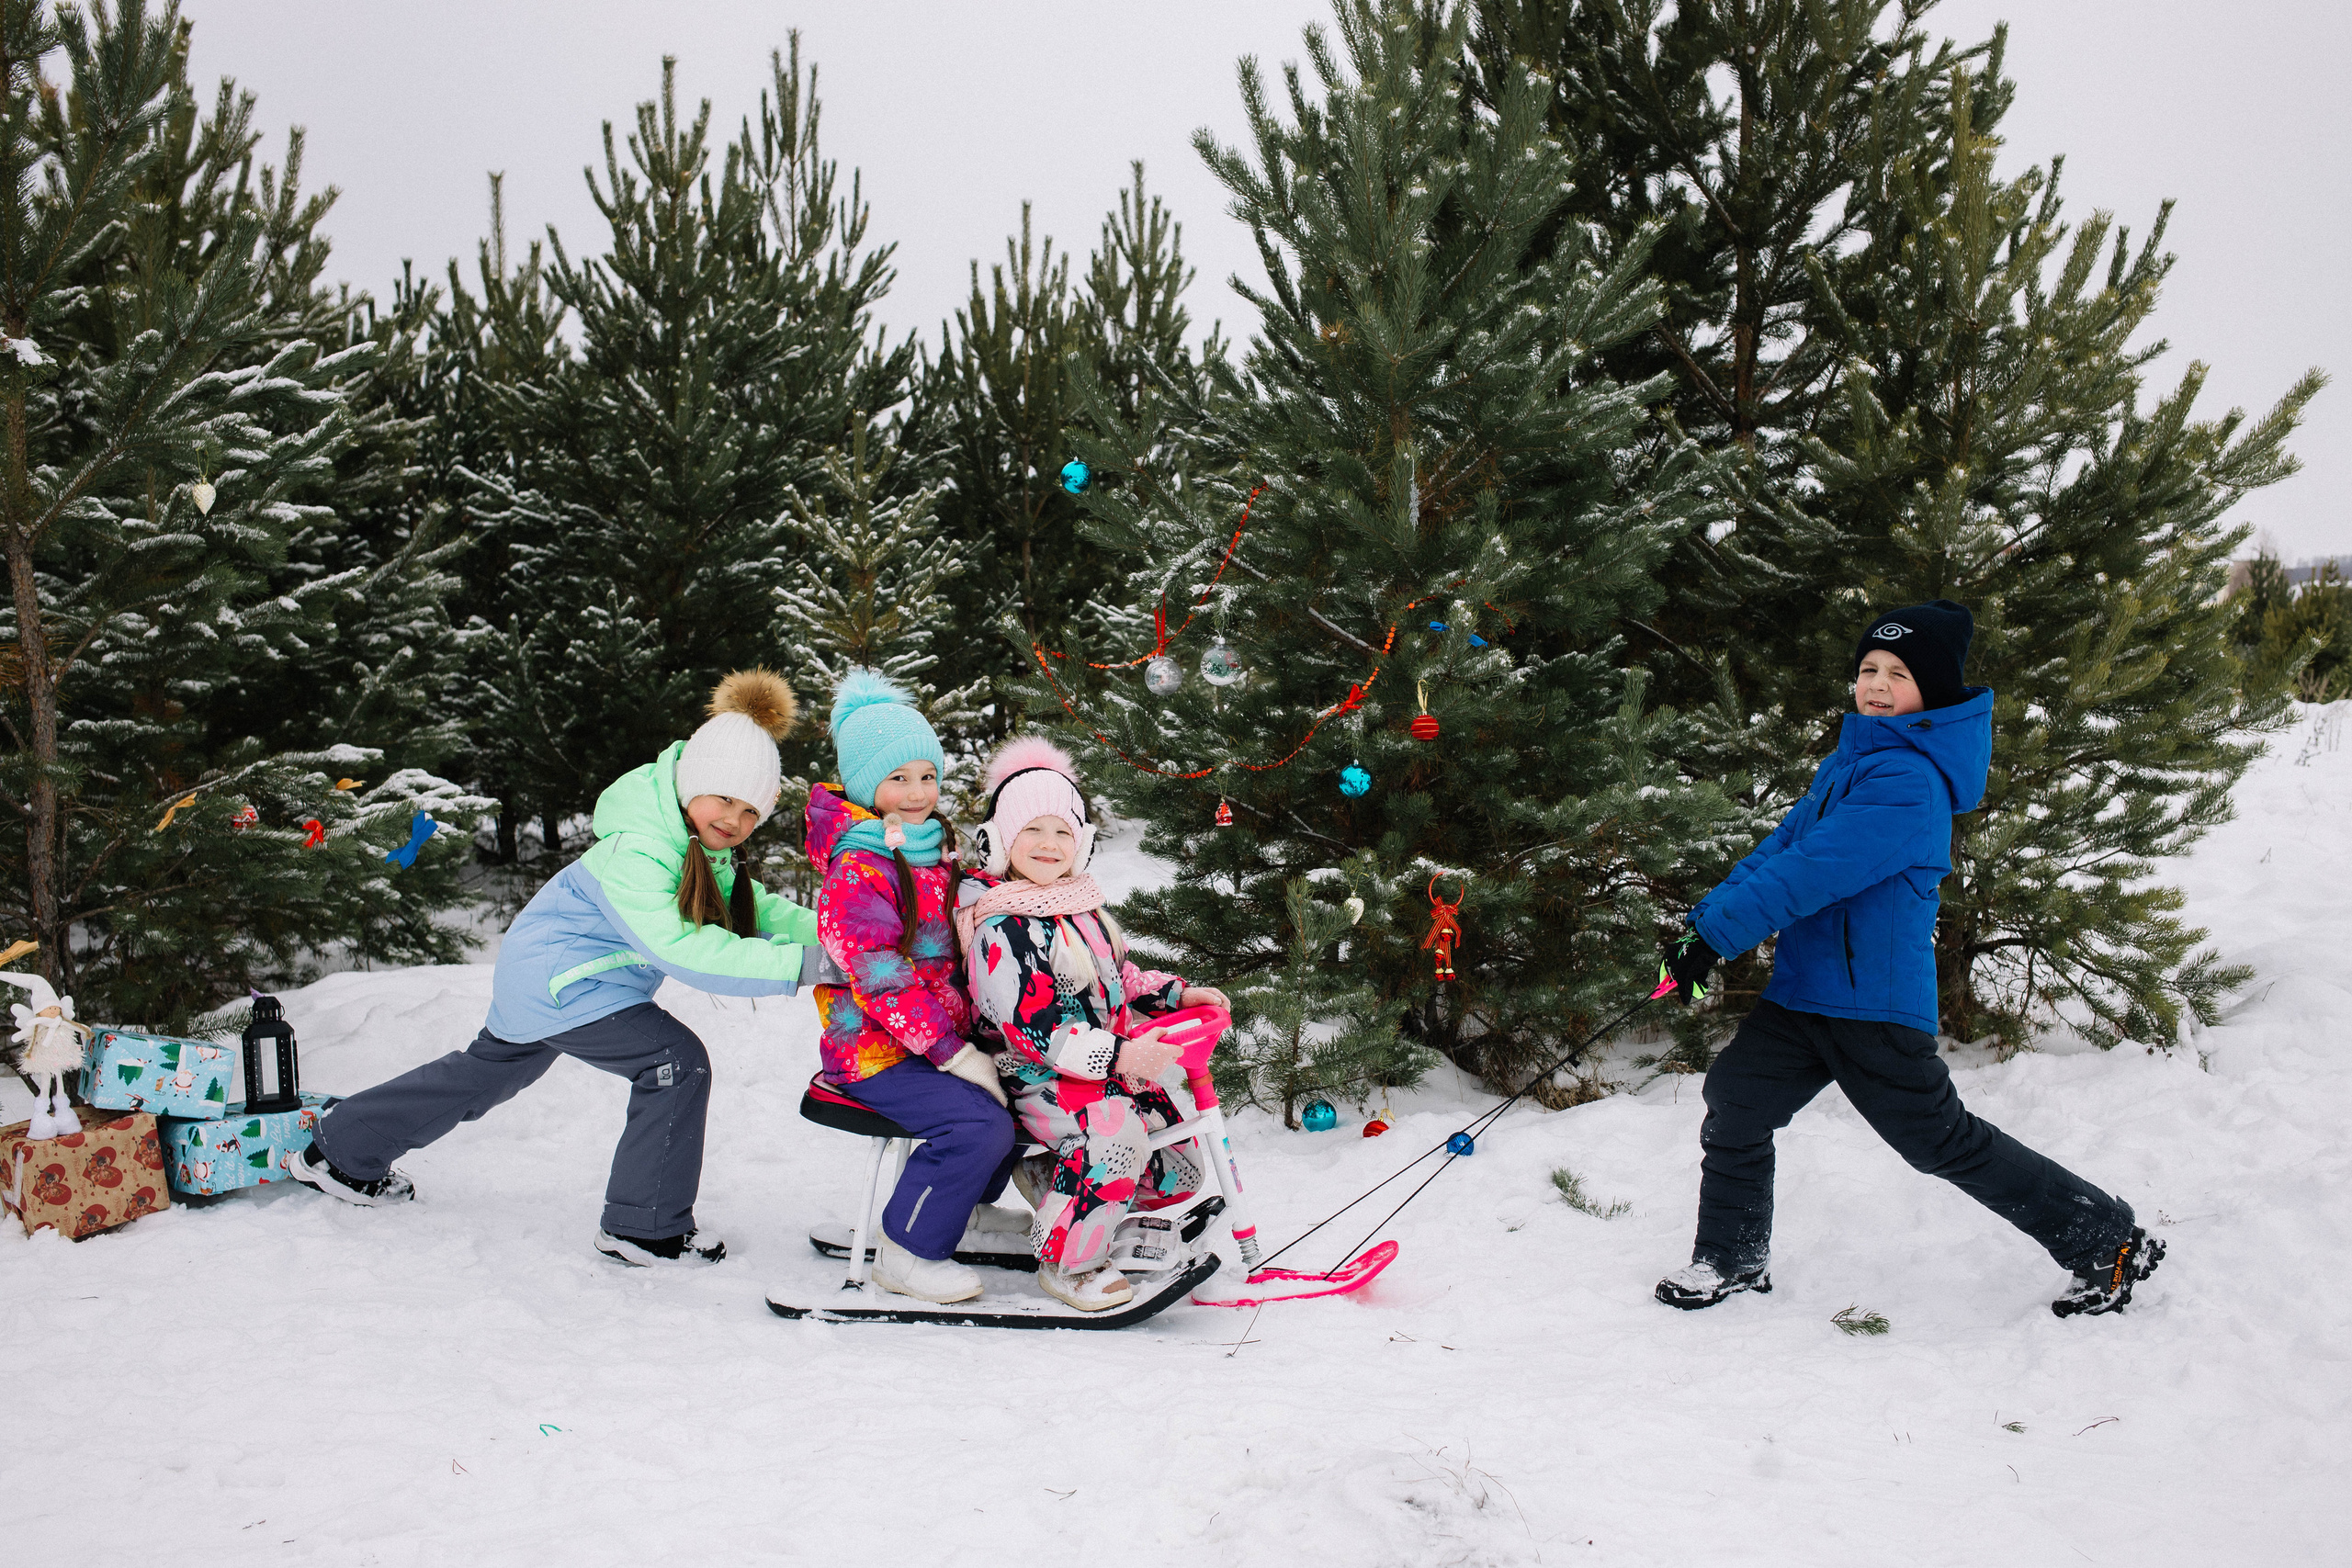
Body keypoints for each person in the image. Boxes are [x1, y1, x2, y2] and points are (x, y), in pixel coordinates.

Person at [1654, 601, 2164, 1319]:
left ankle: (2106, 1238)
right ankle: (1732, 1257)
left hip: (1871, 1004)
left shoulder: (1909, 784)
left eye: (1899, 673)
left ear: (1934, 693)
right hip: (1805, 992)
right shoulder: (1850, 765)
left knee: (1940, 1140)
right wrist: (1698, 932)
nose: (1879, 684)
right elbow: (1779, 853)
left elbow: (1813, 872)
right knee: (1737, 1100)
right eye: (1869, 669)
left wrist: (1717, 938)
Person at [289, 671, 820, 1269]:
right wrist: (810, 964)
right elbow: (683, 948)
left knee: (483, 1074)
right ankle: (643, 1227)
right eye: (724, 797)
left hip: (552, 977)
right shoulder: (642, 850)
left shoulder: (700, 846)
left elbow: (757, 912)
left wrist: (830, 930)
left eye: (751, 810)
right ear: (693, 784)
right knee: (674, 1061)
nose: (734, 818)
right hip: (564, 981)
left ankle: (341, 1149)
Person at [957, 738, 1227, 1312]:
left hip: (1104, 1066)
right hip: (1033, 1071)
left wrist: (1173, 993)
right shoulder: (1002, 926)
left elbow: (1117, 976)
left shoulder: (1080, 907)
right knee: (1115, 1138)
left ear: (1082, 843)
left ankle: (1057, 1184)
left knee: (1177, 1166)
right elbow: (1037, 1028)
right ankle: (1069, 1264)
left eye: (1062, 832)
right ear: (1001, 840)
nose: (1049, 845)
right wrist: (1119, 1056)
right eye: (1032, 830)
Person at [807, 671, 1022, 1307]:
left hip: (934, 1035)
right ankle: (907, 1249)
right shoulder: (858, 866)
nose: (917, 792)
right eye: (898, 778)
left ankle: (965, 1210)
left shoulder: (934, 846)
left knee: (1023, 1083)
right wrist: (954, 1054)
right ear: (867, 784)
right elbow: (879, 975)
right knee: (979, 1122)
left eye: (926, 775)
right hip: (874, 1049)